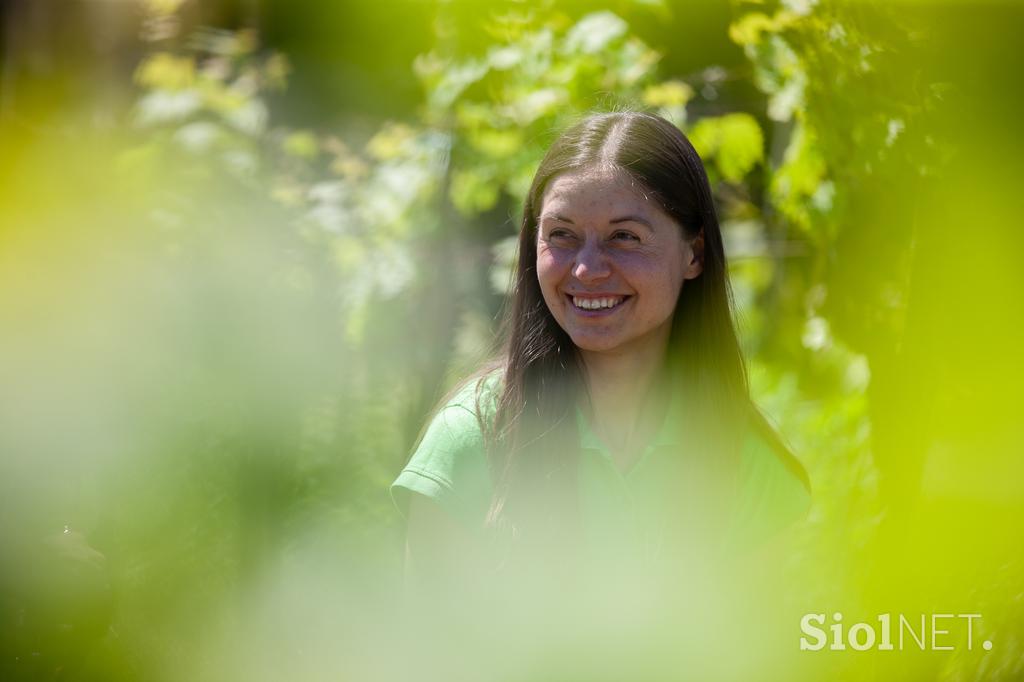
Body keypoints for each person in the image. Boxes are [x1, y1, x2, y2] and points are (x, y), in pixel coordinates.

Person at [392, 111, 810, 599]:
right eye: (561, 235)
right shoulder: (471, 438)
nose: (587, 268)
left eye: (624, 237)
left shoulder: (745, 458)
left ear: (694, 254)